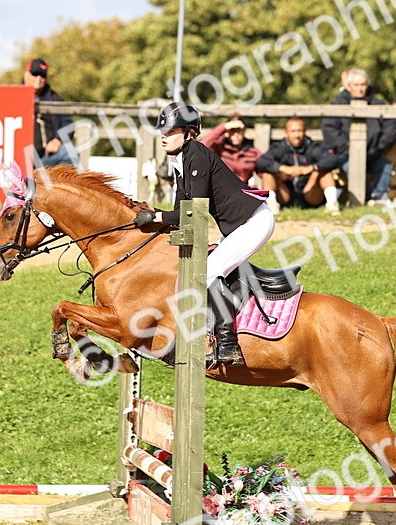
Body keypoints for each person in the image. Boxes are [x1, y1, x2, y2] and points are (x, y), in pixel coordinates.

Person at [133, 102, 276, 366]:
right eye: (162, 131)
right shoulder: (181, 160)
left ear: (189, 132)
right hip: (239, 225)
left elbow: (194, 211)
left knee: (209, 271)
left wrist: (154, 216)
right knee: (211, 265)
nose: (163, 136)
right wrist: (156, 215)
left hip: (254, 222)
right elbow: (179, 211)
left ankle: (229, 343)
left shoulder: (196, 155)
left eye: (170, 130)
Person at [321, 68, 396, 207]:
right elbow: (329, 128)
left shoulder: (377, 104)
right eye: (357, 85)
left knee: (385, 165)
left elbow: (391, 128)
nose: (361, 89)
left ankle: (378, 197)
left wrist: (378, 147)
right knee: (353, 167)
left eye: (363, 85)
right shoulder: (337, 105)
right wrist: (348, 149)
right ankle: (368, 197)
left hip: (372, 153)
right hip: (345, 154)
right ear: (348, 86)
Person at [256, 117, 339, 211]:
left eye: (300, 131)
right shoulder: (279, 148)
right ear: (286, 132)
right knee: (267, 173)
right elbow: (261, 162)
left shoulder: (312, 146)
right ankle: (272, 205)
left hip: (310, 193)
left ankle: (332, 205)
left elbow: (332, 159)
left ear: (305, 132)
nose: (297, 135)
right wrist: (282, 168)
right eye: (293, 131)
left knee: (324, 171)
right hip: (285, 194)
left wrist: (312, 168)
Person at [24, 57, 76, 167]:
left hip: (46, 157)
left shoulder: (55, 99)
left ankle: (61, 184)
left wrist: (58, 140)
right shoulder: (13, 96)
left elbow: (69, 124)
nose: (39, 79)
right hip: (20, 158)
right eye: (35, 74)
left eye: (42, 76)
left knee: (70, 153)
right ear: (26, 75)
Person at [200, 115, 262, 185]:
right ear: (227, 132)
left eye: (239, 131)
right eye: (232, 130)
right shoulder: (218, 147)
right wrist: (224, 127)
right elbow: (200, 146)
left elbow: (266, 170)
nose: (235, 134)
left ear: (244, 132)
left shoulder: (253, 152)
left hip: (243, 190)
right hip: (220, 189)